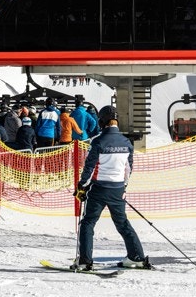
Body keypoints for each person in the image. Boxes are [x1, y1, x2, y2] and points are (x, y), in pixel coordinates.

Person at [73, 106, 149, 270]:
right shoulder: (126, 142)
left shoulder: (98, 141)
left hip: (99, 189)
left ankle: (85, 261)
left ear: (102, 121)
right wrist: (123, 188)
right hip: (117, 188)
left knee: (88, 223)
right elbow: (128, 169)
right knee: (122, 224)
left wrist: (82, 186)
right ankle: (137, 257)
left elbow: (90, 167)